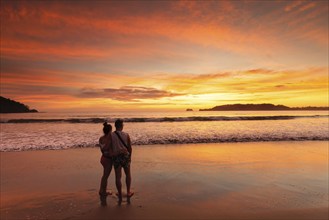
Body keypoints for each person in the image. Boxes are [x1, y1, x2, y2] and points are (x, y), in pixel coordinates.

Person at [111, 119, 134, 204]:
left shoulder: (111, 135)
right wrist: (130, 157)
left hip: (116, 156)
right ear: (122, 126)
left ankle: (120, 193)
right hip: (125, 156)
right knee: (127, 174)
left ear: (115, 126)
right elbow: (130, 148)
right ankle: (128, 192)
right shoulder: (126, 135)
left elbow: (110, 147)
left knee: (118, 176)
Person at [98, 122, 113, 199]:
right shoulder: (109, 139)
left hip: (103, 158)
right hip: (108, 159)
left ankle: (103, 189)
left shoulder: (101, 138)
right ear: (110, 130)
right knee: (105, 176)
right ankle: (102, 191)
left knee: (105, 175)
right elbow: (107, 148)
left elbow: (102, 149)